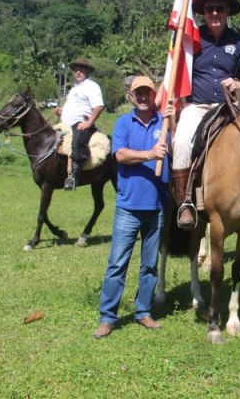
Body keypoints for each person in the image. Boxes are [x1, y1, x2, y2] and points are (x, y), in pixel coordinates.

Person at [93, 76, 174, 339]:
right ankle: (108, 317)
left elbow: (176, 150)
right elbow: (120, 155)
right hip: (128, 207)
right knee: (118, 263)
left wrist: (174, 121)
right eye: (138, 93)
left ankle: (143, 311)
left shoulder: (164, 124)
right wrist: (151, 154)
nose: (142, 97)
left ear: (153, 96)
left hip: (157, 206)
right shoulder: (123, 123)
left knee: (149, 264)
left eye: (147, 93)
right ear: (131, 96)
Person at [172, 0, 240, 229]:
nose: (215, 13)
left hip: (229, 107)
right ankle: (185, 203)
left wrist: (237, 83)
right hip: (197, 107)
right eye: (210, 9)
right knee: (181, 142)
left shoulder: (239, 42)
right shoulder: (191, 39)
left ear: (228, 11)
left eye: (220, 8)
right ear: (203, 13)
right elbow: (176, 69)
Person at [55, 57, 104, 190]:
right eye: (76, 70)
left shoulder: (92, 86)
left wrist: (89, 122)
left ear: (87, 72)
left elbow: (99, 106)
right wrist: (62, 111)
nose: (78, 72)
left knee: (76, 143)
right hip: (65, 124)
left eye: (81, 70)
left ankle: (73, 177)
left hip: (80, 124)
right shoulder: (74, 89)